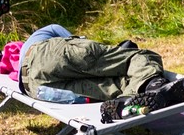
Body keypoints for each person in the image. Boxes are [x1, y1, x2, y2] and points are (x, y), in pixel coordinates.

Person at [18, 24, 167, 103]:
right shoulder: (47, 31)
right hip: (46, 53)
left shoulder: (24, 50)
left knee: (110, 88)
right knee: (138, 56)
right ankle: (153, 83)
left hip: (32, 87)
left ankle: (127, 98)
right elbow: (81, 50)